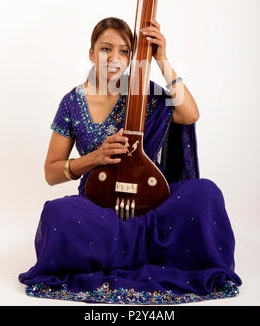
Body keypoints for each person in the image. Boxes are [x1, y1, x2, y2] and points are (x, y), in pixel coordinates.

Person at [18, 17, 242, 304]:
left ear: (133, 57)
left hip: (153, 207)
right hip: (99, 212)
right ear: (91, 53)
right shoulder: (72, 103)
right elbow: (52, 172)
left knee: (206, 193)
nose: (114, 58)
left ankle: (118, 252)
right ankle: (153, 252)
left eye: (124, 51)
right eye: (105, 49)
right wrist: (95, 157)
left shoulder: (143, 93)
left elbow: (189, 114)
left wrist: (162, 59)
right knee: (56, 215)